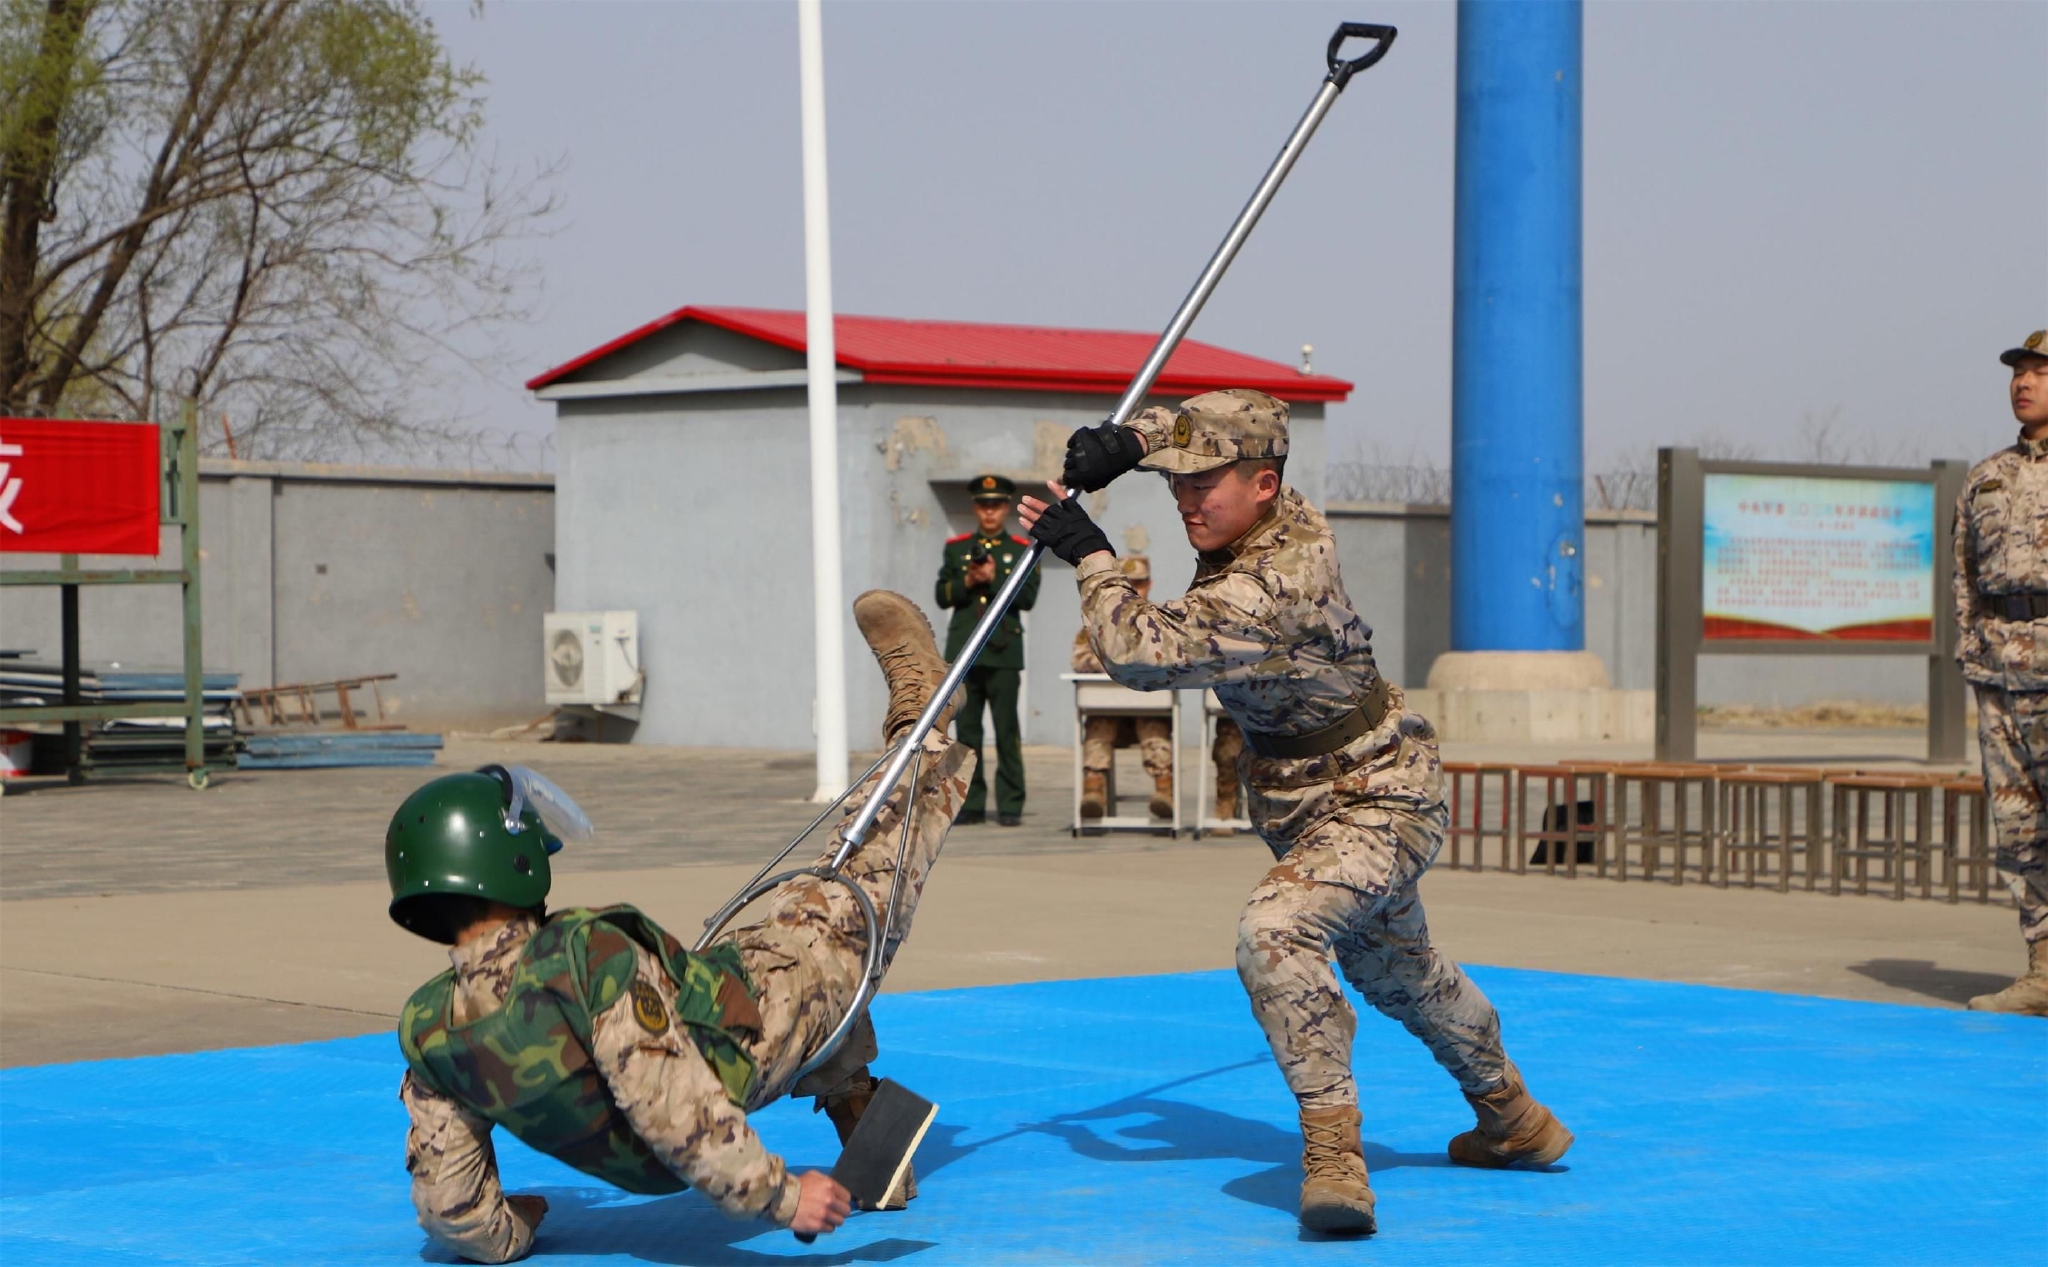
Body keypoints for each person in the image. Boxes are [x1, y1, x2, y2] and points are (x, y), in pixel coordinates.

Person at [1021, 389, 1570, 1236]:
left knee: (1276, 933)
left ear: (1268, 484)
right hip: (1305, 800)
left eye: (1206, 484)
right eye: (1177, 483)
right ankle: (1514, 1117)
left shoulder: (1276, 579)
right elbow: (1199, 421)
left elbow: (1137, 653)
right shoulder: (1264, 513)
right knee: (1402, 972)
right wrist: (1125, 446)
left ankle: (1333, 1153)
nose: (1186, 499)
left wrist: (1093, 556)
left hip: (1380, 794)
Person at [389, 591, 971, 1262]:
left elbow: (449, 1208)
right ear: (513, 861)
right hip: (749, 1041)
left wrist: (507, 1224)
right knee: (861, 877)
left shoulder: (431, 1028)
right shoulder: (582, 957)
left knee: (770, 931)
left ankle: (857, 1106)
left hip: (697, 1034)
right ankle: (922, 719)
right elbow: (675, 1109)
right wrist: (782, 1195)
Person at [1956, 328, 2048, 1016]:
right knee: (2019, 828)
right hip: (1999, 672)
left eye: (2040, 371)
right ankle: (2044, 967)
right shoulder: (1985, 475)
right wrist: (1973, 653)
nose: (2023, 382)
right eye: (2019, 370)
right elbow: (1964, 576)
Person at [934, 473, 1040, 825]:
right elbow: (942, 594)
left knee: (1007, 730)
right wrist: (968, 581)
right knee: (968, 732)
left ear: (1006, 508)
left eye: (996, 505)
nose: (989, 511)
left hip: (1004, 650)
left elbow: (1027, 598)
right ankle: (971, 802)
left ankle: (1010, 804)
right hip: (966, 650)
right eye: (983, 504)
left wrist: (994, 578)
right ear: (975, 508)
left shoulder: (1021, 551)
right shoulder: (958, 547)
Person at [1073, 555, 1175, 819]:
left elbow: (1171, 657)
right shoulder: (1098, 619)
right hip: (1110, 710)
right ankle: (1093, 790)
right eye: (1128, 584)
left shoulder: (1162, 620)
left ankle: (1164, 790)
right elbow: (1080, 657)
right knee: (1098, 726)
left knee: (1154, 728)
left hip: (1147, 710)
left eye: (1139, 584)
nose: (1134, 590)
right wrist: (1113, 663)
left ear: (1149, 584)